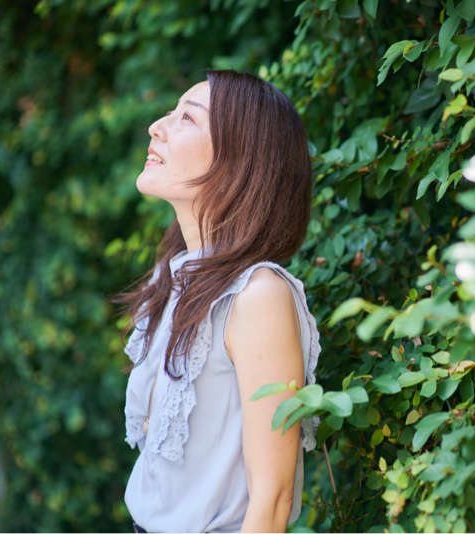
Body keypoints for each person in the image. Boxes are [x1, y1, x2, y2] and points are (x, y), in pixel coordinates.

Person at [112, 69, 321, 533]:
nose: (157, 127)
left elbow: (272, 501)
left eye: (187, 118)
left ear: (239, 160)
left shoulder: (258, 295)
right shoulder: (177, 278)